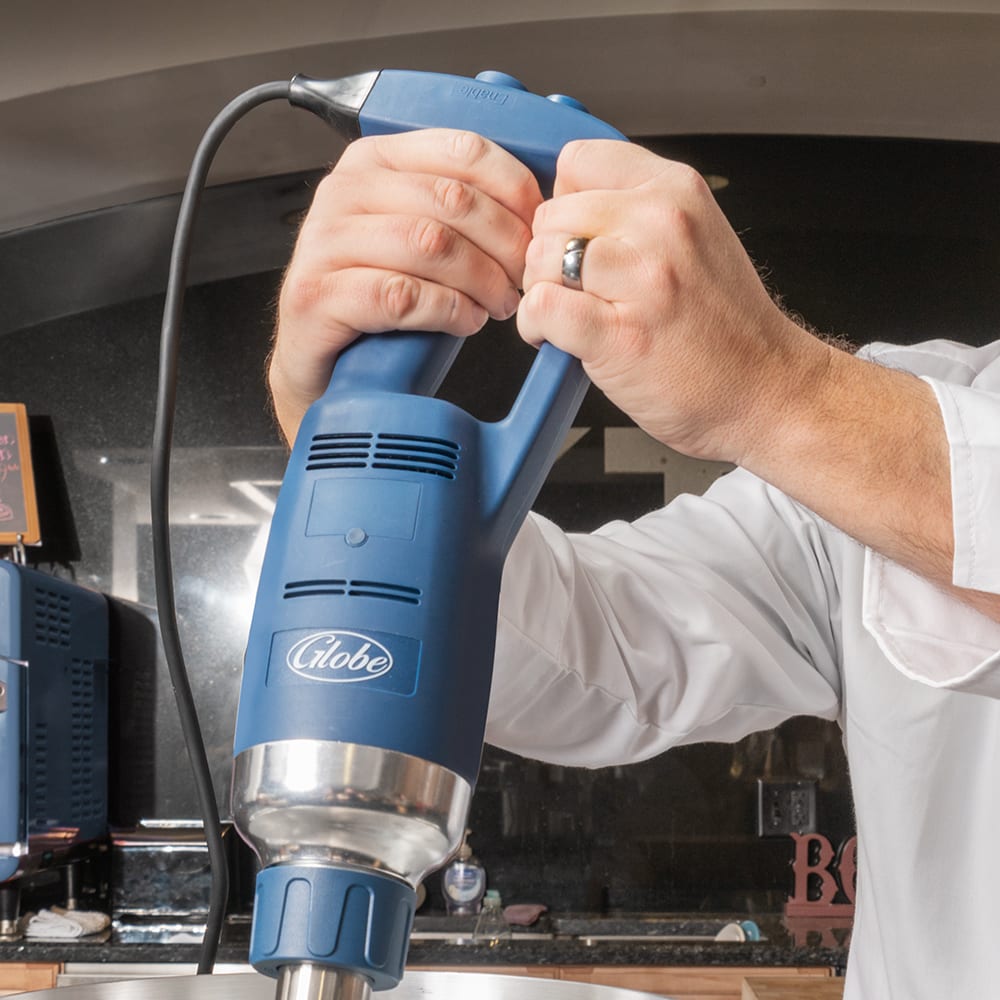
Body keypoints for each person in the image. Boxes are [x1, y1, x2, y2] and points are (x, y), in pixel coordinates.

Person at [268, 129, 1000, 998]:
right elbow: (590, 656)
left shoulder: (842, 417)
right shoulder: (913, 409)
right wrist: (349, 448)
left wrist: (777, 388)